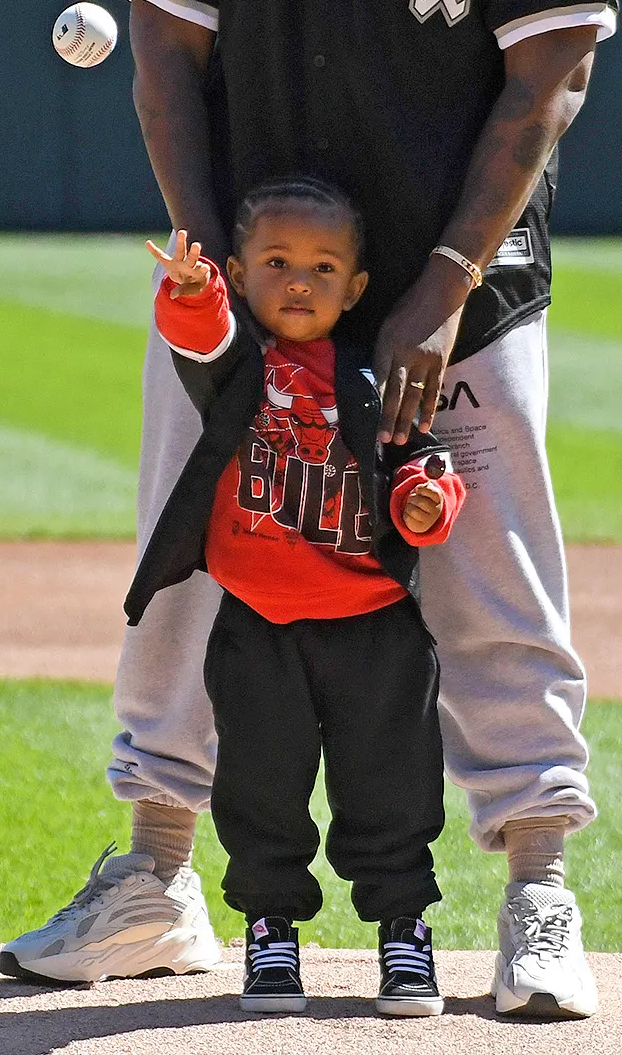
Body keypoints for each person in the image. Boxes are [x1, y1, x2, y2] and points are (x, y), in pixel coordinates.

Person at [0, 0, 617, 1020]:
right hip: (249, 305)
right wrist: (209, 271)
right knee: (188, 574)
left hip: (459, 292)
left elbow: (548, 78)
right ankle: (156, 878)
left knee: (491, 584)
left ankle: (538, 893)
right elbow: (164, 45)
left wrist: (445, 282)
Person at [131, 181, 467, 1017]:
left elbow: (423, 460)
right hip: (258, 625)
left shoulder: (375, 369)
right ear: (242, 275)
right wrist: (191, 287)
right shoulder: (241, 366)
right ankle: (271, 930)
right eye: (276, 263)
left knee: (392, 786)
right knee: (260, 789)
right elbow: (199, 338)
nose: (298, 281)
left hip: (374, 628)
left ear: (356, 287)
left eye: (323, 266)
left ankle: (402, 928)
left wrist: (423, 502)